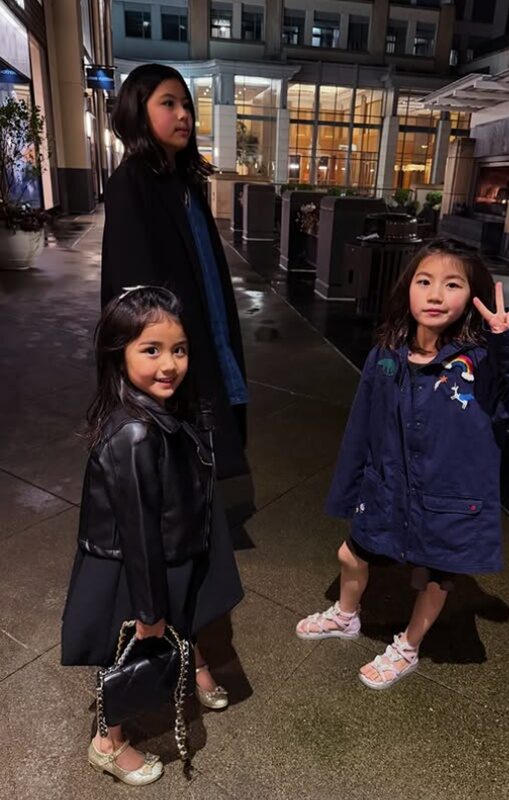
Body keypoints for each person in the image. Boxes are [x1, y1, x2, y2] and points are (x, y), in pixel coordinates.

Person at [296, 239, 509, 689]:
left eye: (452, 284)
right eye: (424, 281)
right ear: (407, 289)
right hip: (387, 488)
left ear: (471, 294)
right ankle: (346, 615)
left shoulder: (482, 362)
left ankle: (409, 646)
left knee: (434, 577)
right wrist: (350, 488)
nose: (435, 295)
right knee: (350, 553)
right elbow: (361, 425)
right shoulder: (387, 353)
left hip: (447, 500)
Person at [101, 62, 251, 702]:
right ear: (138, 110)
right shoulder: (133, 183)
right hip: (167, 377)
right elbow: (132, 297)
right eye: (168, 103)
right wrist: (157, 377)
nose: (183, 114)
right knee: (170, 527)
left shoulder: (182, 182)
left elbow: (208, 287)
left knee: (195, 523)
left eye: (186, 104)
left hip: (196, 362)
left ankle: (195, 649)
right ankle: (182, 657)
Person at [61, 287, 243, 785]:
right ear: (118, 355)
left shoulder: (163, 412)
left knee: (160, 635)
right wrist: (148, 609)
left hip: (164, 554)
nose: (169, 364)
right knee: (128, 653)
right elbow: (139, 529)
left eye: (178, 349)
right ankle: (108, 742)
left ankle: (181, 666)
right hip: (134, 565)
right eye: (151, 350)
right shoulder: (134, 433)